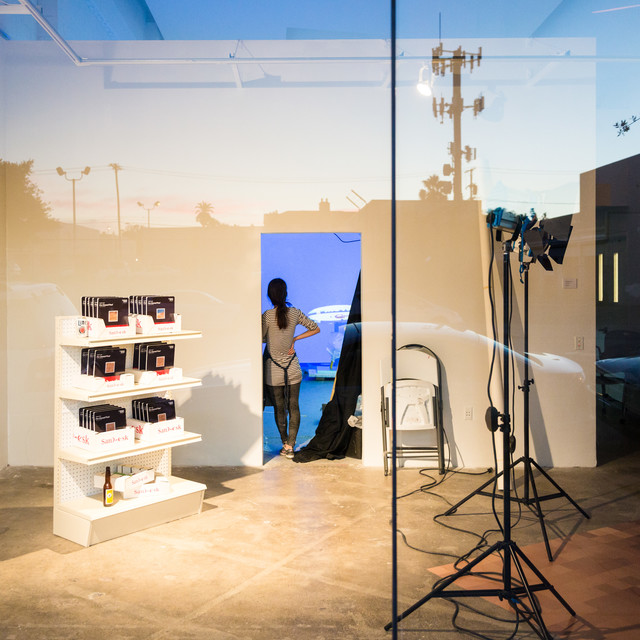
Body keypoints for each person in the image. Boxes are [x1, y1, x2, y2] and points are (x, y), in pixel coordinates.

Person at [262, 278, 320, 459]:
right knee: (294, 406)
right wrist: (294, 339)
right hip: (292, 367)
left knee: (280, 409)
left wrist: (273, 339)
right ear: (285, 293)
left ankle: (284, 443)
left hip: (273, 370)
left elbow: (262, 338)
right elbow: (315, 328)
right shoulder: (295, 313)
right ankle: (291, 445)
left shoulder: (267, 316)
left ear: (270, 295)